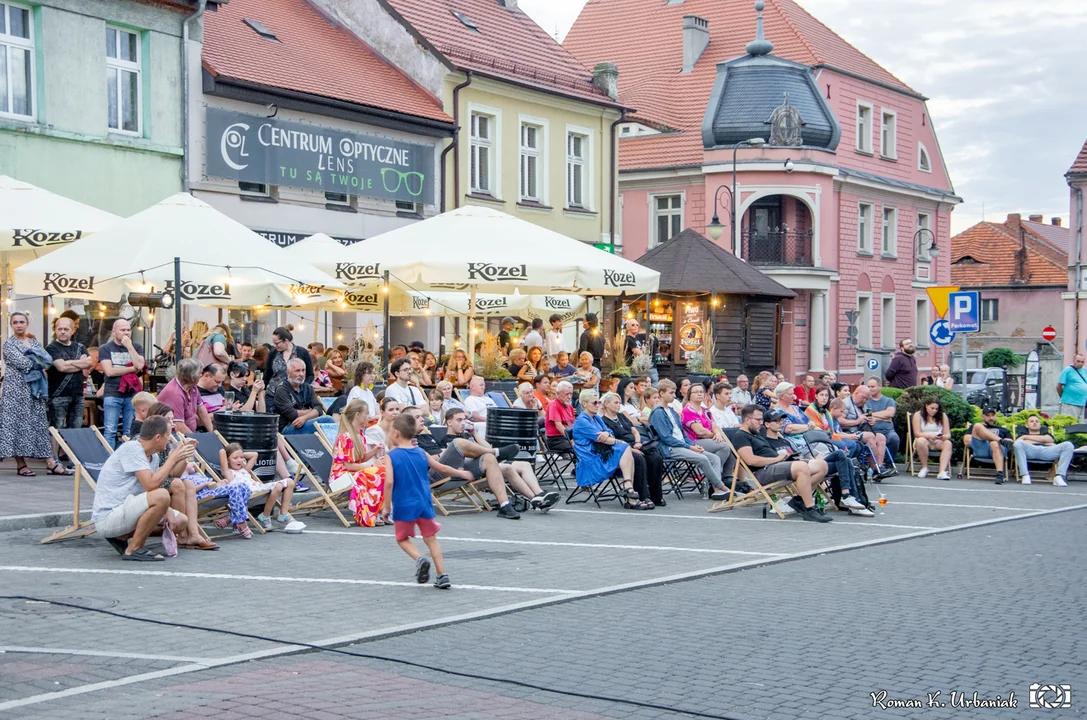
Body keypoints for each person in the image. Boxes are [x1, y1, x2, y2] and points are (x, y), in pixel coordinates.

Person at [410, 406, 556, 513]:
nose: (422, 419)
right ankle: (497, 453)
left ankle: (536, 498)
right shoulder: (415, 440)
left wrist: (475, 435)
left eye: (464, 419)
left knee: (504, 464)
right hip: (444, 475)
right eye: (417, 417)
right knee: (460, 444)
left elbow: (485, 448)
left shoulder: (428, 437)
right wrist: (443, 454)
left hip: (467, 469)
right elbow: (430, 459)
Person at [91, 416, 197, 560]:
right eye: (168, 436)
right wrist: (172, 459)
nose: (169, 440)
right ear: (158, 437)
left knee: (181, 521)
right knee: (162, 495)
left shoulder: (153, 457)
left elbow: (172, 475)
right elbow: (151, 485)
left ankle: (122, 536)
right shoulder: (132, 448)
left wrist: (182, 456)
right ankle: (134, 548)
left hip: (128, 510)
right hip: (110, 515)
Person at [382, 414, 451, 588]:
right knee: (431, 539)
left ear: (396, 433)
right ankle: (442, 575)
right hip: (424, 502)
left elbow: (389, 482)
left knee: (402, 538)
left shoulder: (391, 456)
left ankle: (420, 559)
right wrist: (461, 473)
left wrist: (386, 507)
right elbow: (441, 467)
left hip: (404, 504)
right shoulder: (421, 452)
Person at [732, 405, 831, 523]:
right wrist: (777, 459)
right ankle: (809, 508)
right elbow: (751, 460)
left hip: (779, 464)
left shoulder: (756, 433)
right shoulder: (740, 436)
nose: (761, 423)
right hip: (764, 470)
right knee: (802, 467)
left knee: (822, 466)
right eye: (758, 420)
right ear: (747, 420)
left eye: (761, 420)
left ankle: (799, 500)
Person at [1, 311, 70, 476]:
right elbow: (22, 363)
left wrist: (33, 358)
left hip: (34, 391)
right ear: (11, 325)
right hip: (14, 392)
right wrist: (35, 359)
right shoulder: (8, 344)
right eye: (15, 322)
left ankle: (51, 462)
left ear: (27, 324)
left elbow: (47, 361)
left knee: (39, 425)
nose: (19, 325)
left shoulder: (33, 342)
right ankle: (21, 464)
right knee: (16, 426)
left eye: (21, 322)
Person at [572, 390, 652, 510]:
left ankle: (630, 491)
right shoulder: (582, 421)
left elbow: (610, 435)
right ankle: (629, 490)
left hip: (602, 454)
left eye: (599, 402)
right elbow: (604, 440)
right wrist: (618, 440)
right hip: (591, 460)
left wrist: (607, 434)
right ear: (584, 404)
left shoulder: (597, 419)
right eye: (595, 402)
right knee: (625, 448)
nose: (598, 405)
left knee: (629, 451)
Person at [649, 379, 728, 500]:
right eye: (671, 393)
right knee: (703, 458)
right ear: (661, 393)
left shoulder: (671, 411)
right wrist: (689, 446)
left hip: (682, 444)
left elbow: (683, 433)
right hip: (670, 448)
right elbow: (666, 438)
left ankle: (715, 489)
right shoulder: (658, 413)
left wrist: (692, 444)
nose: (674, 395)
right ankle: (722, 487)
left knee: (715, 458)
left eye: (674, 392)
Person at [601, 391, 663, 507]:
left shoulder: (621, 416)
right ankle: (642, 495)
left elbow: (634, 431)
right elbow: (614, 441)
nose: (619, 405)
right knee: (638, 459)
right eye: (616, 402)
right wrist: (631, 449)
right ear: (607, 404)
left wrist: (638, 442)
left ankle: (656, 496)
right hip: (621, 449)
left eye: (619, 402)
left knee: (656, 458)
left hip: (635, 444)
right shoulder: (603, 421)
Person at [331, 400, 386, 527]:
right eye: (366, 413)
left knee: (385, 469)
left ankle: (378, 510)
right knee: (379, 472)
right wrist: (372, 466)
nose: (369, 416)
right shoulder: (345, 437)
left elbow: (360, 459)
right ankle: (371, 512)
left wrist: (374, 451)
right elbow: (348, 466)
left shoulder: (359, 433)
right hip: (341, 475)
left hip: (353, 471)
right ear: (357, 415)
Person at [220, 443, 296, 530]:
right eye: (235, 458)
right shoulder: (228, 473)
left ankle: (283, 513)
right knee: (278, 486)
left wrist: (239, 454)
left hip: (259, 488)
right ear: (227, 460)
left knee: (290, 482)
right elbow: (222, 453)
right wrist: (232, 454)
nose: (239, 460)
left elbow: (255, 454)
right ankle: (266, 516)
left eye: (241, 457)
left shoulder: (244, 470)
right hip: (248, 494)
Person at [99, 318, 146, 448]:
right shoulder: (106, 348)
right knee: (110, 429)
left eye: (128, 330)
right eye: (122, 330)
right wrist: (132, 369)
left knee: (129, 430)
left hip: (131, 394)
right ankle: (107, 460)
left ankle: (126, 458)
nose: (126, 333)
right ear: (114, 332)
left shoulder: (136, 347)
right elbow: (109, 371)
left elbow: (140, 365)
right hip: (112, 393)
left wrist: (129, 347)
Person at [46, 314, 91, 435]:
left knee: (76, 431)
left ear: (72, 331)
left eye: (66, 329)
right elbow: (61, 367)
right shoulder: (51, 348)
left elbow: (88, 364)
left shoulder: (80, 347)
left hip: (78, 394)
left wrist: (69, 364)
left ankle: (70, 454)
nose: (62, 332)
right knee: (56, 430)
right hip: (58, 395)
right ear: (55, 330)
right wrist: (79, 363)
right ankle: (54, 454)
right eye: (59, 329)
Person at [839, 385, 893, 479]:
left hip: (862, 430)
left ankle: (880, 467)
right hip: (849, 432)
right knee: (870, 436)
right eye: (863, 398)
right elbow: (839, 421)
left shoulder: (863, 406)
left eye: (867, 399)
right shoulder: (846, 403)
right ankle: (874, 468)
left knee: (881, 437)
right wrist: (857, 421)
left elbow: (866, 421)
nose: (865, 401)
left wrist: (871, 422)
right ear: (856, 393)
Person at [274, 358, 332, 435]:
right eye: (297, 371)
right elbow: (292, 414)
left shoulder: (308, 387)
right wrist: (312, 411)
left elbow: (319, 408)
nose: (301, 374)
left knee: (328, 423)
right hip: (288, 427)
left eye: (303, 370)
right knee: (327, 420)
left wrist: (304, 418)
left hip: (305, 422)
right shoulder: (282, 390)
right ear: (288, 372)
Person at [1013, 415, 1073, 486]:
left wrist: (1026, 437)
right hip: (1031, 451)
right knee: (1018, 443)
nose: (1035, 423)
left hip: (1047, 451)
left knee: (1068, 445)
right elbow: (1018, 442)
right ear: (1027, 425)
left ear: (1040, 425)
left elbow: (1050, 439)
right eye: (1032, 421)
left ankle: (1059, 476)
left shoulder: (1044, 433)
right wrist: (1044, 440)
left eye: (1037, 421)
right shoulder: (1022, 434)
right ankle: (1025, 475)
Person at [157, 358, 213, 434]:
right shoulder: (174, 393)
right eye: (200, 373)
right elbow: (179, 426)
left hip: (190, 434)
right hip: (174, 436)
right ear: (192, 377)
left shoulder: (193, 387)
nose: (201, 375)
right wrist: (196, 441)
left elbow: (202, 411)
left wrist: (212, 433)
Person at [963, 407, 1013, 484]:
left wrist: (993, 441)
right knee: (977, 426)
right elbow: (967, 441)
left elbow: (1009, 443)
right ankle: (999, 440)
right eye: (988, 415)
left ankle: (999, 474)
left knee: (994, 443)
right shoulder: (975, 427)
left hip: (998, 450)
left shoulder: (1003, 429)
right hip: (982, 448)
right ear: (983, 416)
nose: (991, 418)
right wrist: (990, 438)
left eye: (992, 415)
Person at [263, 327, 314, 396]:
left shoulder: (302, 352)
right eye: (274, 343)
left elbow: (310, 374)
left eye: (277, 343)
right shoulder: (273, 353)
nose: (275, 346)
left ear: (286, 341)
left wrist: (304, 387)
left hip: (296, 394)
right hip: (273, 393)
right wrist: (263, 388)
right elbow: (267, 373)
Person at [911, 398, 952, 480]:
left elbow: (948, 434)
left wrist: (944, 437)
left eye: (936, 409)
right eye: (932, 408)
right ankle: (924, 467)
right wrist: (929, 436)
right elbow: (917, 433)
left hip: (937, 441)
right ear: (926, 406)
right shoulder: (918, 415)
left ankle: (942, 471)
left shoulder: (942, 416)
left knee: (948, 443)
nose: (934, 411)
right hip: (924, 439)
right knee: (920, 441)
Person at [864, 377, 900, 463]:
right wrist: (885, 417)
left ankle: (888, 463)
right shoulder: (866, 401)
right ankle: (876, 464)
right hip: (872, 431)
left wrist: (872, 415)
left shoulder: (889, 400)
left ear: (880, 386)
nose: (870, 389)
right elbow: (865, 416)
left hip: (887, 431)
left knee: (894, 439)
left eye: (872, 386)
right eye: (868, 387)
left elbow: (890, 413)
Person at [544, 381, 576, 452]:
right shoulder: (553, 405)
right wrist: (571, 439)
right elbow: (559, 426)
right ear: (558, 394)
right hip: (555, 439)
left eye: (571, 394)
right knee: (578, 447)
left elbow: (573, 425)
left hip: (566, 437)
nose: (569, 397)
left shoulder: (569, 406)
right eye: (567, 394)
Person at [462, 375, 496, 442]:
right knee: (483, 426)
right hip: (484, 423)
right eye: (481, 385)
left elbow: (498, 412)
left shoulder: (489, 399)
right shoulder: (470, 400)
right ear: (473, 387)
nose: (483, 387)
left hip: (493, 422)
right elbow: (475, 417)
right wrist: (490, 421)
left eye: (484, 385)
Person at [1056, 354, 1087, 420]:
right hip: (1069, 404)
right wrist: (1064, 398)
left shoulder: (1084, 370)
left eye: (1082, 362)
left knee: (1079, 426)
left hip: (1082, 403)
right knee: (1069, 425)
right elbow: (1059, 386)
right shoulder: (1067, 370)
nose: (1080, 364)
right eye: (1078, 361)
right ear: (1073, 360)